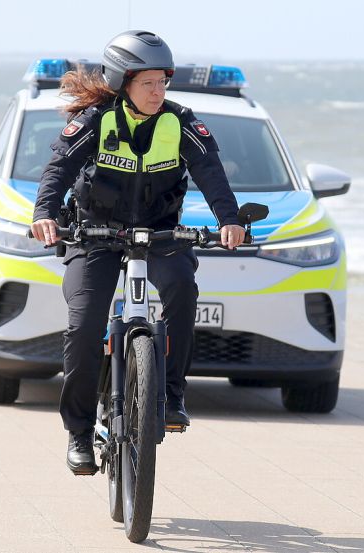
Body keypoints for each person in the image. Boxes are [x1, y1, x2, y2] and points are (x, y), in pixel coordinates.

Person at [30, 30, 245, 475]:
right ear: (122, 81)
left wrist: (230, 220)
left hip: (161, 233)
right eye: (147, 83)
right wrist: (45, 213)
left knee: (183, 290)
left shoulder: (182, 123)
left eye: (162, 82)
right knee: (84, 323)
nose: (158, 91)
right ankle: (79, 433)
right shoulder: (95, 120)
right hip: (95, 234)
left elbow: (211, 172)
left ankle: (172, 394)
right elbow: (58, 168)